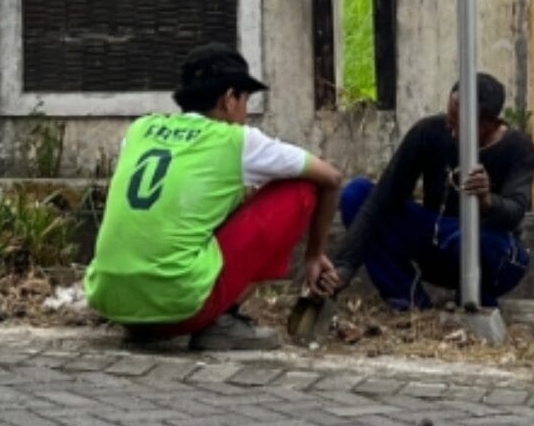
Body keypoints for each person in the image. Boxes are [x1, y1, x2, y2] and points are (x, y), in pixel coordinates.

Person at [85, 43, 342, 351]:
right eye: (245, 99)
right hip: (180, 306)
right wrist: (314, 255)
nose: (246, 111)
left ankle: (145, 321)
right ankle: (222, 319)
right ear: (229, 99)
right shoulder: (235, 140)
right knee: (301, 189)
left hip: (114, 302)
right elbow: (332, 177)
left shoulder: (141, 129)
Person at [326, 72, 534, 311]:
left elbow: (515, 211)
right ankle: (408, 302)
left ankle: (475, 305)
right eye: (450, 119)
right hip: (437, 238)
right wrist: (344, 265)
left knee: (480, 241)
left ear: (490, 124)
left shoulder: (518, 148)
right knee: (357, 194)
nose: (453, 131)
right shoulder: (428, 133)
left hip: (491, 251)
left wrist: (487, 201)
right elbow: (382, 200)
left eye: (461, 125)